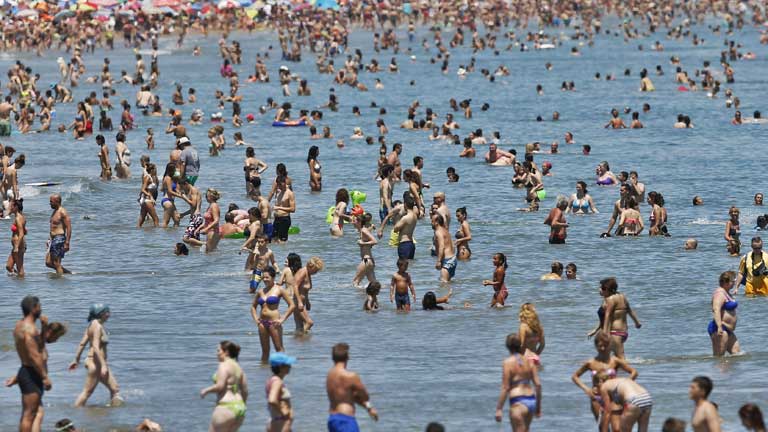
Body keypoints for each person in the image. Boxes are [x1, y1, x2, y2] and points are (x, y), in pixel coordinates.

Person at [572, 331, 638, 430]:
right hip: (597, 398)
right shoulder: (591, 363)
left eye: (605, 346)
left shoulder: (615, 361)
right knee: (603, 427)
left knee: (617, 428)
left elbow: (634, 372)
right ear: (596, 346)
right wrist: (587, 389)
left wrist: (622, 385)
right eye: (600, 346)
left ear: (610, 345)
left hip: (613, 398)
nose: (603, 348)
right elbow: (575, 376)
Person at [69, 304, 122, 407]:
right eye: (107, 312)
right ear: (101, 313)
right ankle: (74, 411)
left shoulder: (92, 325)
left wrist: (76, 359)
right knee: (87, 392)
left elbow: (82, 344)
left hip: (92, 361)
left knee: (115, 389)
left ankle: (111, 412)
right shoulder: (97, 327)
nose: (109, 314)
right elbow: (95, 347)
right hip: (96, 364)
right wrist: (103, 366)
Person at [13, 296, 51, 432]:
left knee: (31, 413)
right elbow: (34, 355)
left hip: (26, 370)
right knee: (29, 415)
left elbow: (39, 345)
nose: (41, 309)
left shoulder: (20, 325)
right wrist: (45, 377)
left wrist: (44, 327)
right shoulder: (29, 329)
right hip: (31, 373)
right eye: (39, 307)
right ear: (33, 308)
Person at [326, 343, 378, 432]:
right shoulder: (350, 376)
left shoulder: (329, 376)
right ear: (348, 357)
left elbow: (347, 397)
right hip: (346, 420)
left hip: (332, 419)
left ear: (333, 358)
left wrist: (369, 408)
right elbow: (365, 396)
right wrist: (368, 405)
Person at [495, 333, 542, 431]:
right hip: (531, 400)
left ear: (507, 346)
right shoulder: (529, 361)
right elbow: (538, 385)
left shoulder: (507, 362)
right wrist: (538, 407)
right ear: (520, 344)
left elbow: (505, 387)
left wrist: (499, 409)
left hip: (518, 401)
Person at [200, 341, 248, 432]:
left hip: (226, 406)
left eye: (218, 351)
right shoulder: (239, 368)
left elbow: (220, 386)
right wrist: (242, 405)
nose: (217, 354)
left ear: (226, 352)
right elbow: (245, 391)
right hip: (240, 407)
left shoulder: (224, 365)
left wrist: (206, 390)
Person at [589, 278, 642, 359]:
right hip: (623, 332)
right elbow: (629, 310)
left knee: (620, 359)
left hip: (614, 333)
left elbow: (607, 316)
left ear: (607, 289)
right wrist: (637, 322)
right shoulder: (622, 296)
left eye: (602, 288)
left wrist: (605, 334)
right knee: (610, 358)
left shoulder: (610, 299)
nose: (599, 289)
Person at [251, 267, 295, 364]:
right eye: (263, 278)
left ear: (273, 277)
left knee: (279, 348)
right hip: (262, 323)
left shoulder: (279, 290)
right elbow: (253, 307)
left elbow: (292, 305)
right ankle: (263, 369)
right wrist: (256, 319)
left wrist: (282, 319)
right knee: (265, 351)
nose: (265, 279)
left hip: (274, 323)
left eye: (267, 277)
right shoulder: (261, 291)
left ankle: (283, 368)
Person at [710, 271, 740, 356]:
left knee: (737, 354)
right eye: (733, 281)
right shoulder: (719, 293)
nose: (734, 283)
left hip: (728, 329)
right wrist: (719, 327)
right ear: (726, 282)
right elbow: (716, 310)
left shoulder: (726, 292)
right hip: (720, 328)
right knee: (719, 357)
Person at [293, 256, 324, 334]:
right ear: (311, 266)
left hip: (301, 303)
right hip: (297, 302)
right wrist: (299, 302)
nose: (316, 272)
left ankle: (298, 339)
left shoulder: (308, 274)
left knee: (300, 326)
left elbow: (305, 291)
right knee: (309, 322)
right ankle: (300, 336)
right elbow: (295, 286)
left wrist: (307, 302)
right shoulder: (303, 272)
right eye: (315, 270)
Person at [266, 352, 296, 432]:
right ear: (280, 367)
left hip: (276, 421)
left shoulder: (272, 380)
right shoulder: (277, 382)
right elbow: (272, 400)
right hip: (281, 423)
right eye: (288, 364)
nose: (290, 366)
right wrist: (283, 411)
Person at [45, 194, 72, 275]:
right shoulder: (55, 211)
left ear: (57, 201)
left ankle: (60, 279)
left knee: (56, 263)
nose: (49, 203)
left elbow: (69, 227)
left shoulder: (62, 212)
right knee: (48, 262)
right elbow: (53, 227)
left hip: (59, 239)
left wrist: (67, 242)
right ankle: (67, 273)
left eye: (51, 201)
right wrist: (49, 239)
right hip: (53, 239)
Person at [352, 212, 377, 287]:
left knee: (355, 282)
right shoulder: (362, 231)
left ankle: (357, 295)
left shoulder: (364, 230)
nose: (353, 222)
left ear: (359, 222)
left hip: (366, 260)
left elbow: (375, 241)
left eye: (354, 221)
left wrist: (363, 243)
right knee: (374, 284)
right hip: (369, 261)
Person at [394, 194, 418, 260]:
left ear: (405, 204)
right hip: (411, 243)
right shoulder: (415, 216)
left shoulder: (405, 218)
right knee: (410, 264)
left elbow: (395, 229)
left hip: (404, 243)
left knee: (403, 263)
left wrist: (397, 217)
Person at [433, 213, 456, 281]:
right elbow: (453, 245)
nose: (431, 223)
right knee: (448, 284)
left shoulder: (438, 232)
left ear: (436, 222)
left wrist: (439, 261)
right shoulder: (446, 231)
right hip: (452, 259)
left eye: (432, 221)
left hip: (447, 261)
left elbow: (442, 246)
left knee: (443, 284)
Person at [6, 198, 26, 277]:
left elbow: (21, 234)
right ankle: (18, 280)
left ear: (16, 207)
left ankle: (21, 280)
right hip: (16, 246)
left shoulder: (18, 218)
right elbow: (24, 231)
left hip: (19, 246)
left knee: (20, 268)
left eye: (11, 206)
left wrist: (17, 246)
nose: (10, 208)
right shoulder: (19, 217)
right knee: (9, 266)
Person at [272, 176, 295, 243]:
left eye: (280, 184)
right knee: (273, 240)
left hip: (284, 219)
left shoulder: (290, 193)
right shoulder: (279, 192)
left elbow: (293, 209)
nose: (279, 186)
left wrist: (279, 208)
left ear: (284, 183)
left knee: (282, 242)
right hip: (276, 219)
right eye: (278, 185)